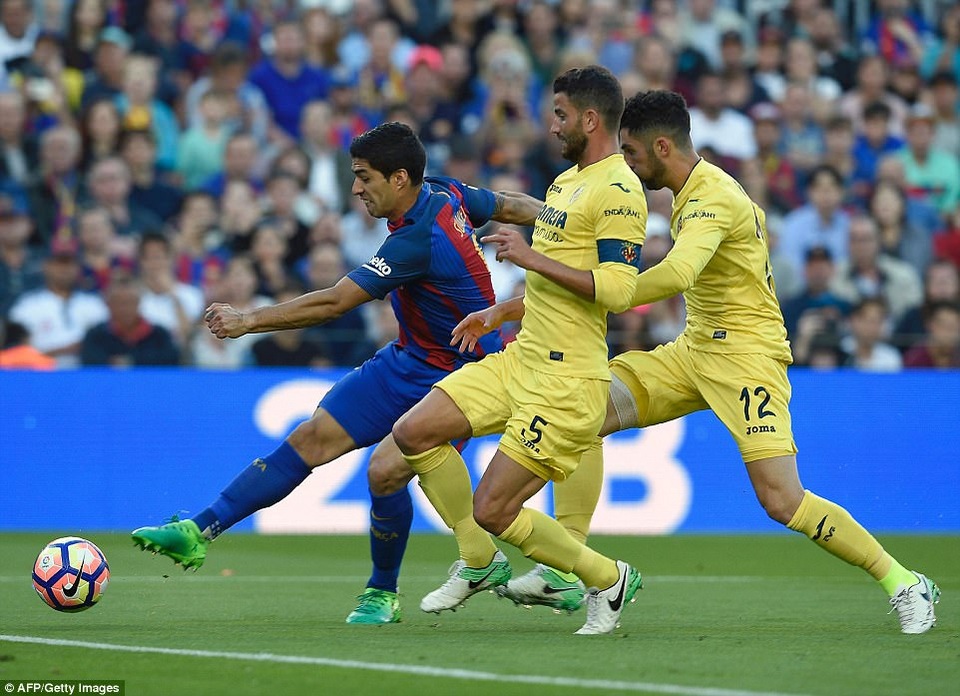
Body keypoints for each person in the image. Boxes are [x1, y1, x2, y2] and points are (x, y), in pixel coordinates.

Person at [462, 90, 940, 635]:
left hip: (746, 360)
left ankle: (903, 581)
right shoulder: (688, 192)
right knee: (585, 405)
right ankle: (567, 567)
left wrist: (609, 290)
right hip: (694, 351)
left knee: (782, 500)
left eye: (634, 153)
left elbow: (678, 274)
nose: (629, 165)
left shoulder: (713, 196)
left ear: (662, 146)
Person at [129, 121, 541, 625]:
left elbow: (334, 302)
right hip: (409, 358)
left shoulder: (415, 239)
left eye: (365, 177)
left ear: (400, 179)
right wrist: (558, 220)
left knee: (384, 471)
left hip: (461, 374)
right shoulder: (445, 193)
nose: (356, 188)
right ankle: (199, 530)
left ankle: (385, 591)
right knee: (311, 438)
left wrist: (247, 319)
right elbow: (505, 203)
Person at [391, 65, 647, 636]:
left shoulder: (619, 190)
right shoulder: (564, 185)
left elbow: (619, 290)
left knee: (494, 508)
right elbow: (556, 283)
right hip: (522, 356)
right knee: (414, 433)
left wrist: (529, 256)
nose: (551, 126)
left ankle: (606, 578)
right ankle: (479, 560)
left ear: (589, 118)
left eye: (559, 115)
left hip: (565, 377)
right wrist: (500, 312)